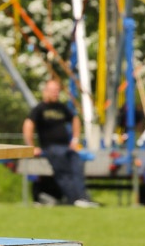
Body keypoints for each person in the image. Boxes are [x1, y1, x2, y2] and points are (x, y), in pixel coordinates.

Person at [23, 78, 100, 208]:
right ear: (45, 91)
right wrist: (31, 147)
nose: (55, 93)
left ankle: (83, 198)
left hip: (66, 147)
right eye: (53, 90)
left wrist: (75, 140)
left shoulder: (62, 108)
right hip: (50, 148)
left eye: (57, 90)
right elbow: (28, 125)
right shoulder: (40, 108)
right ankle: (74, 199)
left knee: (77, 168)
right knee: (64, 173)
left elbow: (75, 119)